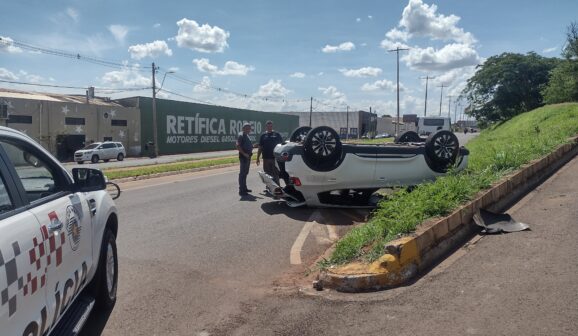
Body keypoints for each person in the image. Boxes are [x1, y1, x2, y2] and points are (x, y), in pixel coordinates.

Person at [256, 120, 283, 185]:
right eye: (268, 126)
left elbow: (281, 145)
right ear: (266, 127)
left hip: (274, 158)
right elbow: (260, 147)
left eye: (270, 126)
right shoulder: (263, 135)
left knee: (275, 173)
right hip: (265, 158)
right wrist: (257, 158)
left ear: (272, 126)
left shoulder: (277, 134)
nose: (269, 127)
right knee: (267, 174)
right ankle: (268, 187)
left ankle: (277, 186)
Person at [236, 122, 253, 196]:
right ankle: (241, 190)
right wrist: (244, 154)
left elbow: (247, 145)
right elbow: (237, 146)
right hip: (244, 157)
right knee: (242, 174)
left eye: (249, 128)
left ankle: (244, 188)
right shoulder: (241, 135)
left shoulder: (247, 135)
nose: (248, 130)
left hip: (248, 157)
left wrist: (253, 146)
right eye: (246, 128)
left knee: (245, 173)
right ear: (243, 129)